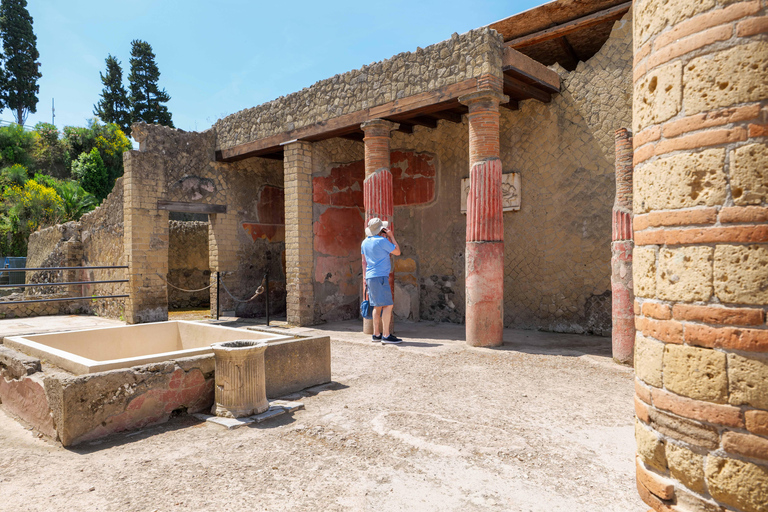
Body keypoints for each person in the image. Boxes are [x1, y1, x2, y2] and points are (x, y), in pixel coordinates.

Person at [361, 217, 402, 344]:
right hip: (380, 277)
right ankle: (386, 335)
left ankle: (376, 334)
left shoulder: (364, 242)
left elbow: (364, 262)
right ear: (381, 230)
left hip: (370, 276)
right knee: (388, 305)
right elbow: (397, 252)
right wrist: (391, 236)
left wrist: (364, 277)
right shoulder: (382, 241)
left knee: (377, 306)